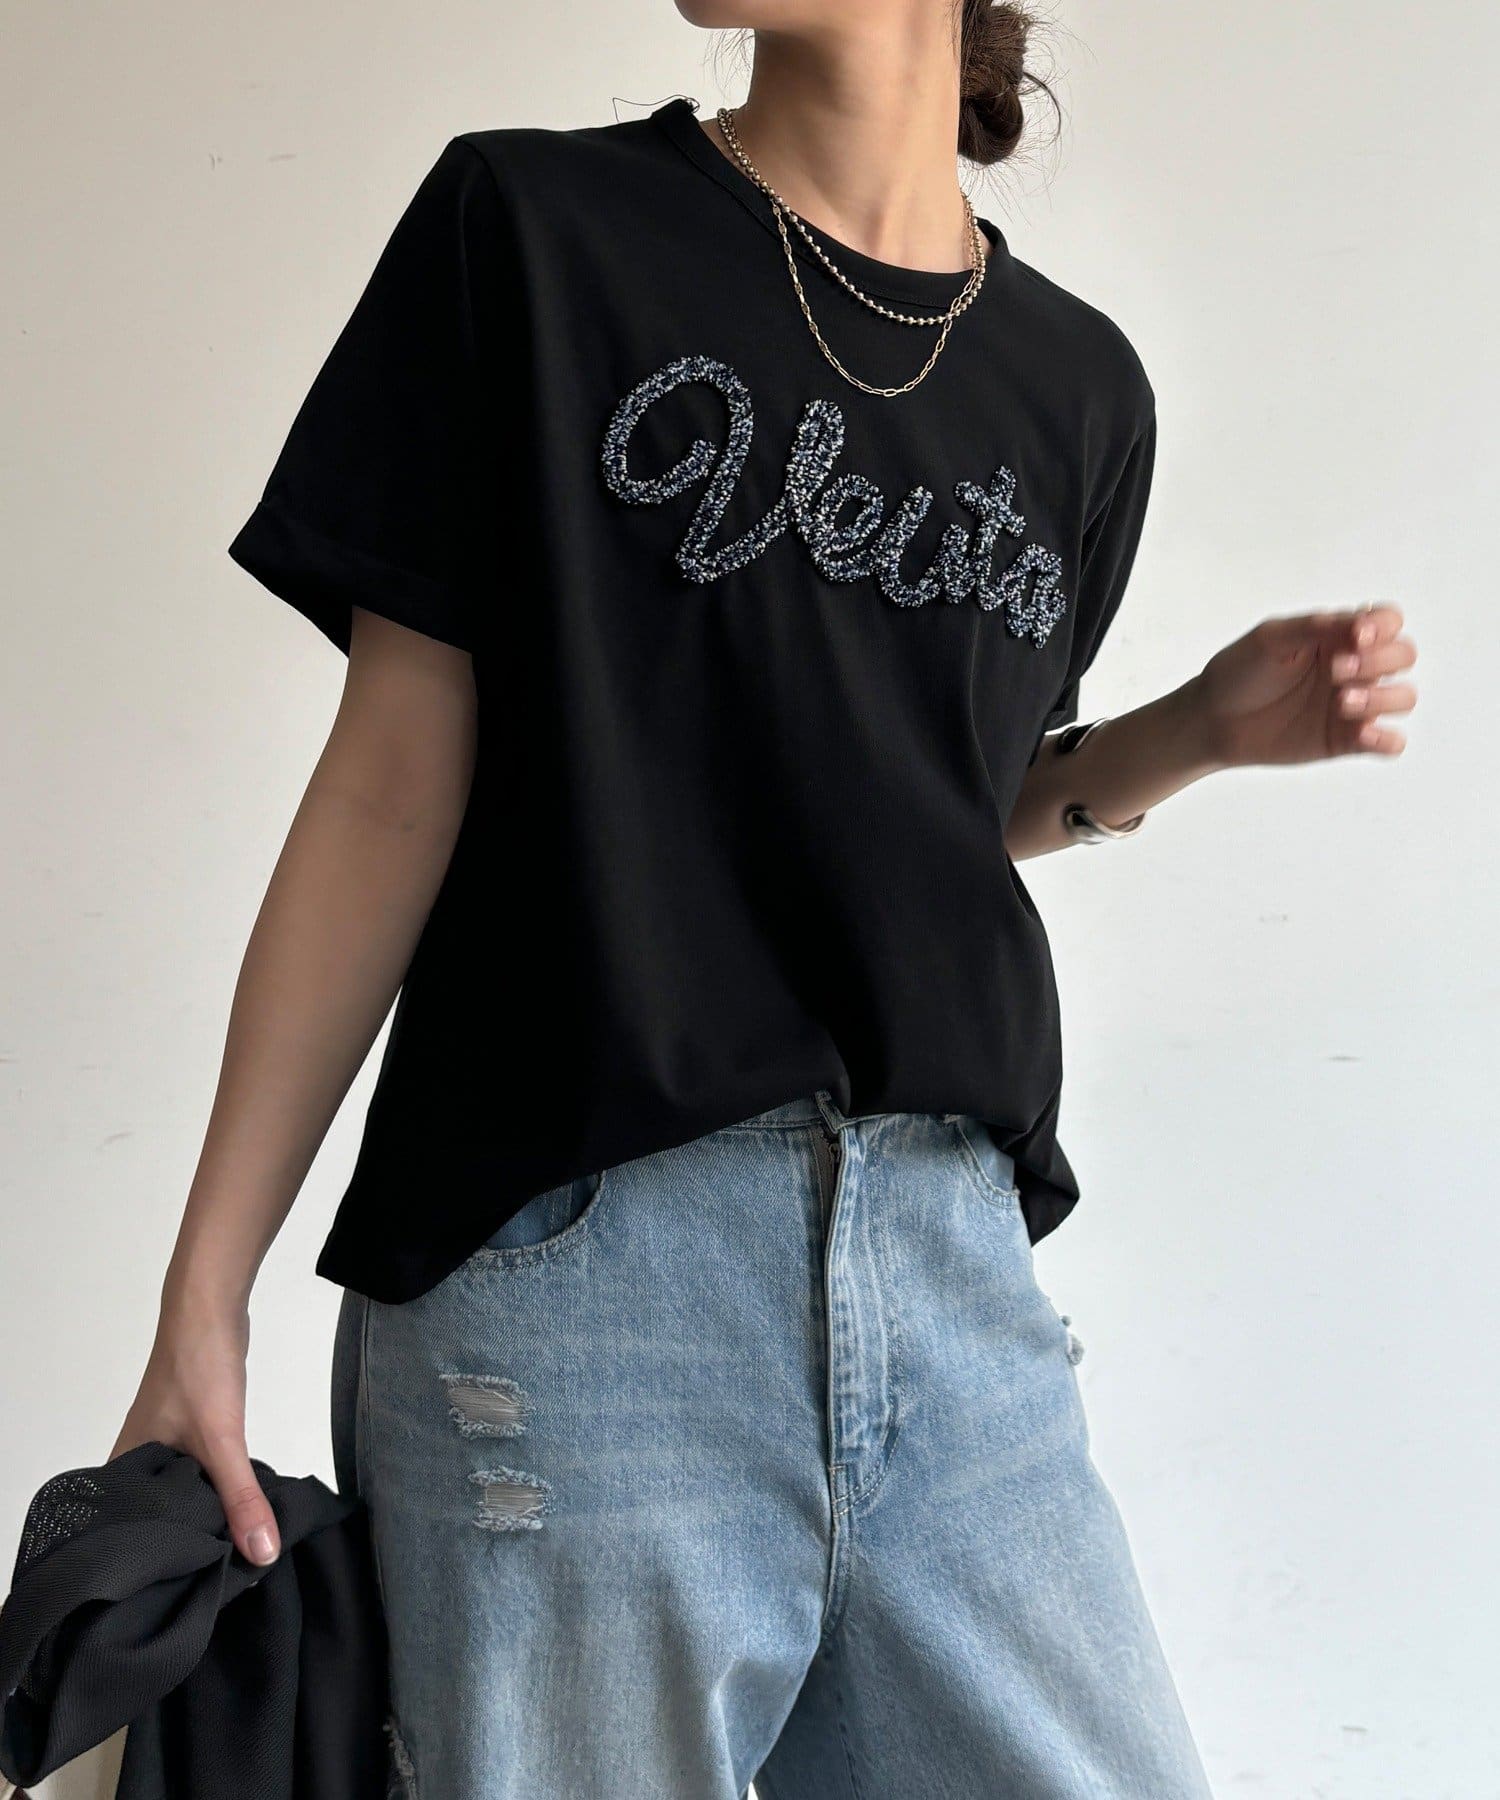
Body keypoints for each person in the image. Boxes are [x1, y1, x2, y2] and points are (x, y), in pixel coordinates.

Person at [110, 2, 1418, 1794]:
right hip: (581, 1285)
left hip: (949, 1278)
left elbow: (922, 819)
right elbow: (395, 780)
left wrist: (1195, 732)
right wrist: (206, 1290)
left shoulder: (1079, 387)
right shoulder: (536, 233)